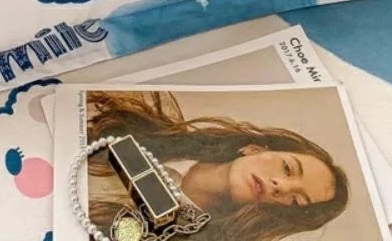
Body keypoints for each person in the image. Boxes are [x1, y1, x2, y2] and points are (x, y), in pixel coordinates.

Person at [87, 91, 350, 241]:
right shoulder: (144, 121)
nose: (280, 185)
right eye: (287, 168)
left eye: (295, 201)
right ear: (254, 148)